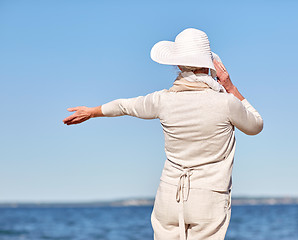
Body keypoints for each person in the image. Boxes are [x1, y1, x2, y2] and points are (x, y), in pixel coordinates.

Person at [63, 28, 263, 240]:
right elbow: (256, 125)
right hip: (208, 198)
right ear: (210, 66)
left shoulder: (163, 100)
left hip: (169, 197)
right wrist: (230, 87)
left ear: (177, 64)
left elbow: (124, 106)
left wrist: (92, 112)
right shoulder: (226, 103)